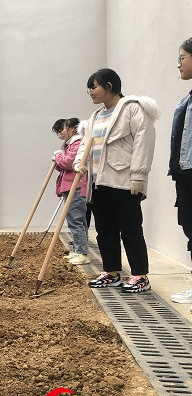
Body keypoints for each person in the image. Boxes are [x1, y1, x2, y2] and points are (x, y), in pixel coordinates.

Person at [74, 68, 159, 293]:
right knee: (105, 230)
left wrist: (139, 176)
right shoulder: (94, 117)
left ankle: (140, 275)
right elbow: (86, 143)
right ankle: (111, 272)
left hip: (123, 181)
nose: (90, 91)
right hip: (98, 183)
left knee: (130, 229)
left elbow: (144, 143)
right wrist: (79, 164)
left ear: (109, 86)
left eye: (94, 86)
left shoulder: (133, 109)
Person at [168, 38, 192, 306]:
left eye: (183, 57)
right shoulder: (187, 99)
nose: (178, 64)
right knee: (189, 228)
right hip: (184, 174)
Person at [53, 118, 89, 265]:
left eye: (63, 129)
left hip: (76, 186)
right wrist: (59, 158)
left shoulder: (77, 142)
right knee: (77, 219)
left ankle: (82, 253)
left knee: (75, 219)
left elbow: (68, 162)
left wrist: (58, 156)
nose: (62, 133)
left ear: (73, 129)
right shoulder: (71, 144)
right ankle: (79, 250)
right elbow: (64, 165)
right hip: (70, 185)